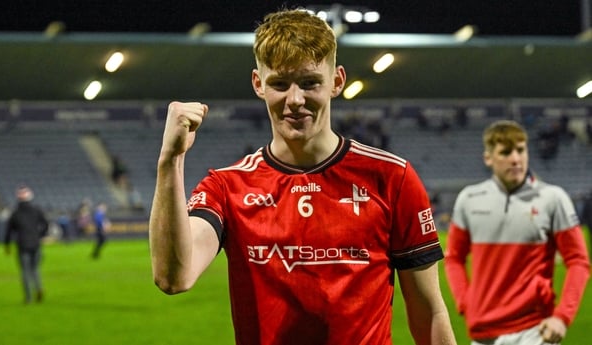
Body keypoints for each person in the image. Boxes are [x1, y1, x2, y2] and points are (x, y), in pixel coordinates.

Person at [149, 8, 456, 345]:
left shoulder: (391, 178)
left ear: (337, 81)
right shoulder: (227, 187)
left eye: (310, 82)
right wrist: (171, 160)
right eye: (280, 84)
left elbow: (429, 312)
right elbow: (173, 277)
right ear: (258, 84)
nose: (295, 100)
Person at [444, 120, 590, 345]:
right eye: (505, 152)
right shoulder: (469, 199)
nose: (515, 159)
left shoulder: (553, 198)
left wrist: (562, 317)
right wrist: (465, 300)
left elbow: (578, 261)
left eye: (521, 150)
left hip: (534, 331)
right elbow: (453, 257)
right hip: (484, 331)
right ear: (488, 158)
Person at [4, 185, 49, 304]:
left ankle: (28, 297)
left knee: (25, 271)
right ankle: (39, 288)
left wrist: (7, 245)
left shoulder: (15, 213)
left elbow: (9, 231)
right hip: (36, 243)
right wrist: (40, 235)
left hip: (22, 245)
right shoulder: (36, 210)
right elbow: (45, 224)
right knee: (35, 269)